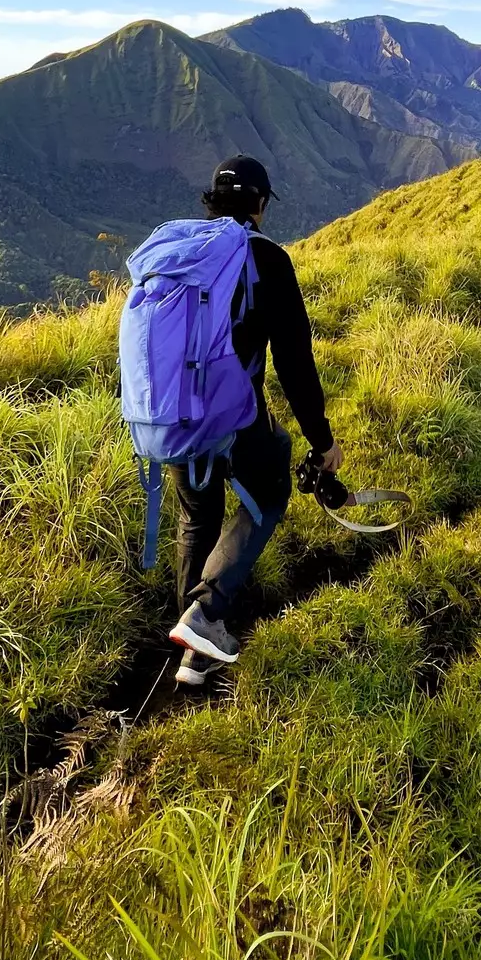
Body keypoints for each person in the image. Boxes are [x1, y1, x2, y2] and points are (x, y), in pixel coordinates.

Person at [167, 156, 343, 686]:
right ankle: (206, 612)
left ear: (212, 201)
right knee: (268, 494)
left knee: (197, 517)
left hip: (173, 416)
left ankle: (189, 648)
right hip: (234, 414)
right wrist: (324, 440)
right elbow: (294, 361)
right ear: (261, 205)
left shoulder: (180, 252)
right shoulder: (266, 258)